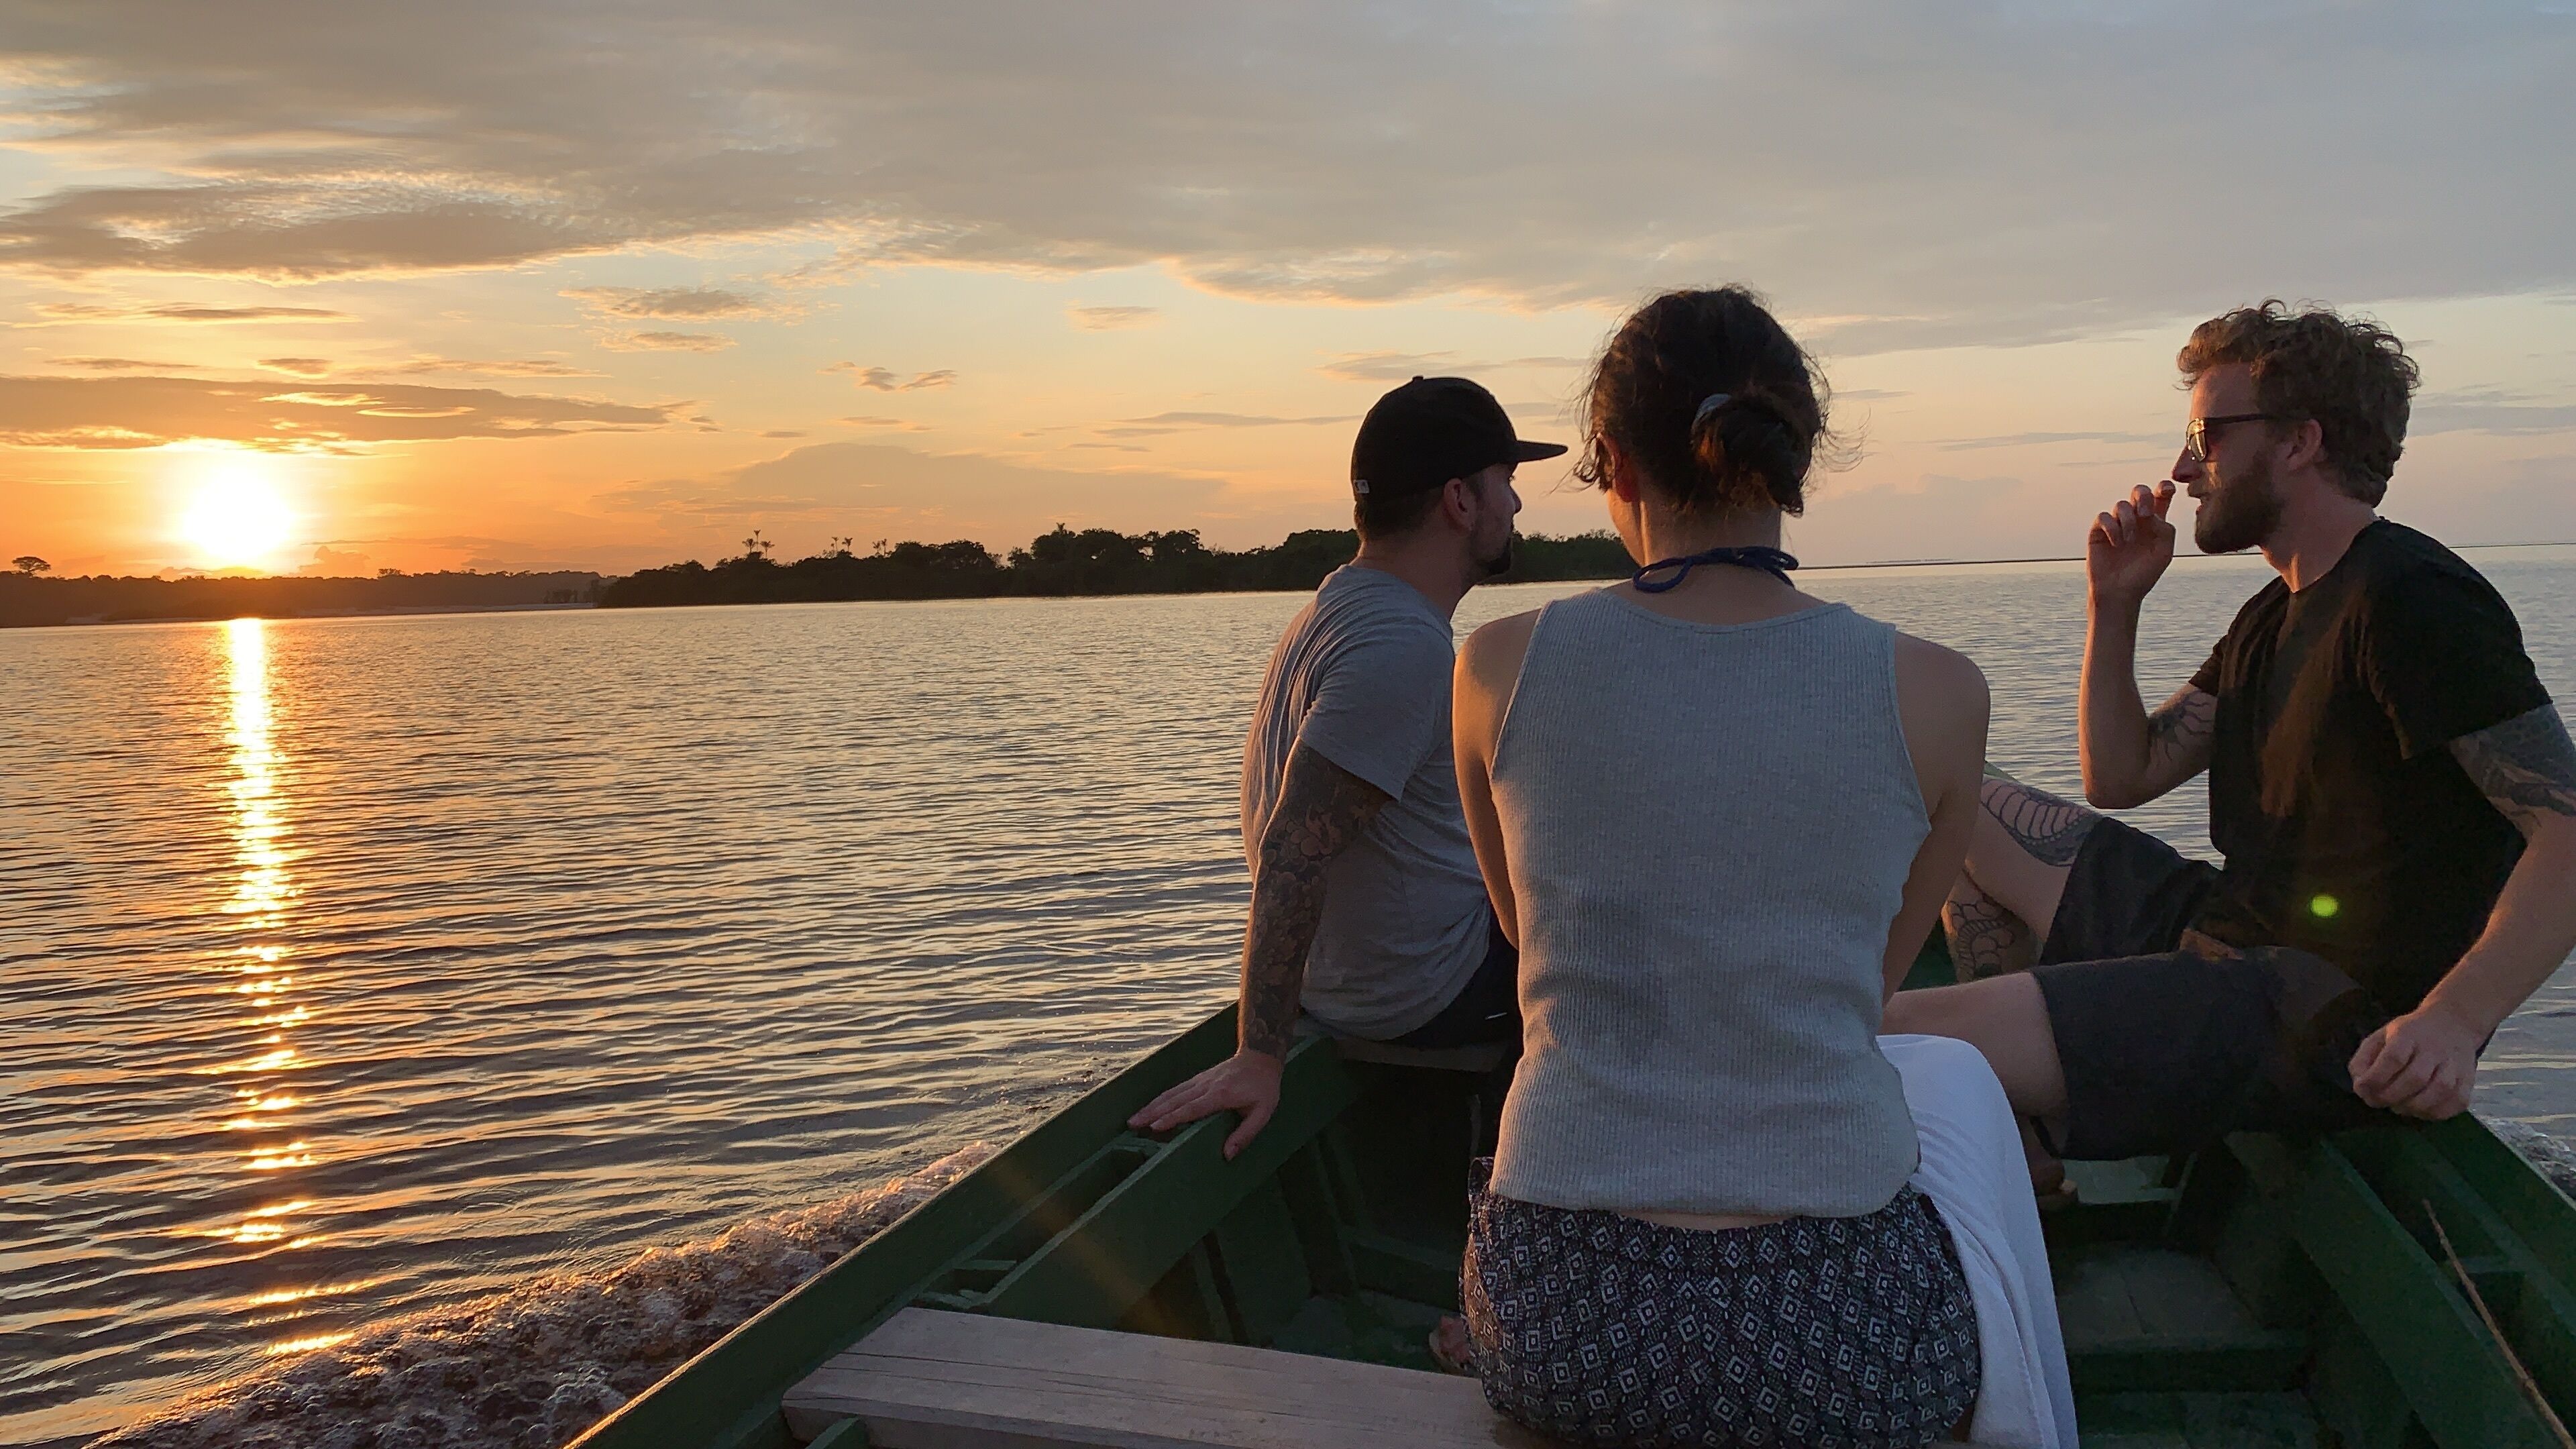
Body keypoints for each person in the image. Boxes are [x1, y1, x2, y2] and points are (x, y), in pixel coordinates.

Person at [1450, 287, 1996, 1446]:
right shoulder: (1942, 693)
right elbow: (1874, 983)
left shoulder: (1498, 667)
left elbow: (1520, 929)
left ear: (1613, 464)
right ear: (1794, 460)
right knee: (1960, 1111)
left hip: (1567, 1315)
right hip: (1844, 1325)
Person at [1886, 301, 2576, 1179]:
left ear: (2299, 442)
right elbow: (2123, 774)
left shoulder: (2412, 600)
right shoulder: (2273, 613)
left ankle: (2009, 1099)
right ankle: (2027, 1137)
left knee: (1884, 1032)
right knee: (1964, 802)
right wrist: (2115, 606)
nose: (2183, 467)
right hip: (2228, 943)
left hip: (2314, 1015)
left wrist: (2455, 1019)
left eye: (2206, 436)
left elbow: (2567, 828)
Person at [1128, 376, 1565, 1159]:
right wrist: (1259, 1055)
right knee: (1633, 935)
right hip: (1418, 990)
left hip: (1357, 979)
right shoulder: (1401, 647)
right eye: (1507, 482)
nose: (1516, 506)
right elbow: (1295, 847)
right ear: (1460, 500)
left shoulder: (1337, 610)